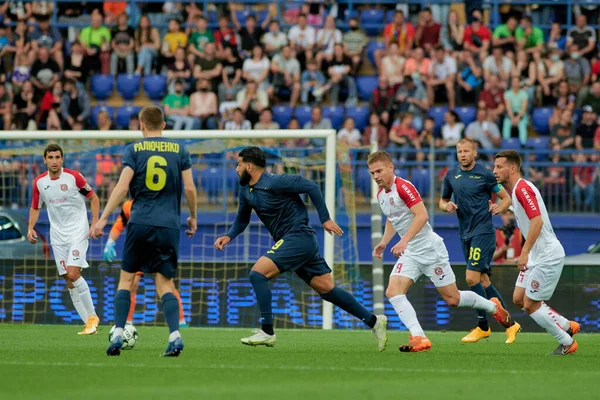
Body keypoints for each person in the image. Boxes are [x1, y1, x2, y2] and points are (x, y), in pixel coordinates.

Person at [214, 147, 388, 350]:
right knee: (327, 290)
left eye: (239, 164)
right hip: (296, 242)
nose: (236, 168)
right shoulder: (246, 189)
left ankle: (267, 331)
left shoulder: (275, 182)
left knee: (257, 275)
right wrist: (229, 235)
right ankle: (374, 322)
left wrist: (325, 219)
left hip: (298, 237)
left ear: (249, 166)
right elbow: (242, 218)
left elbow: (311, 186)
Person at [368, 150, 514, 352]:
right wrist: (385, 241)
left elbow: (422, 216)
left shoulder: (404, 187)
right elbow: (394, 219)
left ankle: (493, 307)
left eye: (379, 171)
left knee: (452, 299)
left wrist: (403, 241)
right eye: (372, 173)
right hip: (411, 252)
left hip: (430, 249)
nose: (375, 176)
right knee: (393, 291)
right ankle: (419, 337)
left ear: (391, 167)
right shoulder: (381, 195)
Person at [91, 105, 198, 357]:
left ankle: (117, 333)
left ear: (140, 125)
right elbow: (191, 188)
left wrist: (103, 218)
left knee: (126, 280)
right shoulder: (180, 150)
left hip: (139, 222)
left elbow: (121, 186)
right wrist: (193, 216)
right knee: (165, 283)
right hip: (169, 224)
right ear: (163, 125)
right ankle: (174, 335)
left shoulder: (133, 150)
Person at [492, 150, 579, 355]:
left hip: (547, 255)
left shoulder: (523, 189)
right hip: (536, 255)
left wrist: (524, 252)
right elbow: (518, 210)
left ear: (512, 168)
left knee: (531, 305)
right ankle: (567, 325)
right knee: (519, 298)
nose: (494, 170)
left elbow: (537, 221)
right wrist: (496, 206)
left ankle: (567, 342)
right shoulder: (515, 191)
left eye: (499, 166)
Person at [439, 138, 521, 343]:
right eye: (459, 151)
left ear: (474, 153)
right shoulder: (451, 175)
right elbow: (442, 200)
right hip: (464, 233)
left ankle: (483, 326)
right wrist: (445, 206)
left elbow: (506, 198)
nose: (463, 154)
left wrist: (499, 208)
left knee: (471, 278)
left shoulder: (485, 174)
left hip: (483, 232)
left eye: (467, 151)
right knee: (483, 281)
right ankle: (511, 324)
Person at [27, 144, 100, 335]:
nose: (54, 161)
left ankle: (93, 316)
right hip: (57, 235)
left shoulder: (74, 177)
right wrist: (30, 227)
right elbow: (35, 207)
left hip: (78, 230)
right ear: (44, 160)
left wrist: (94, 223)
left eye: (57, 157)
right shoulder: (39, 183)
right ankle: (89, 325)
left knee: (74, 273)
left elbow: (94, 198)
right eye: (50, 157)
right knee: (68, 279)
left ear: (62, 159)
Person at [103, 199, 187, 327]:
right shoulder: (128, 206)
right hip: (140, 248)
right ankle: (127, 321)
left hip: (158, 247)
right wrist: (110, 242)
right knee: (132, 284)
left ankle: (181, 321)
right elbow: (119, 224)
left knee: (167, 285)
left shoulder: (160, 205)